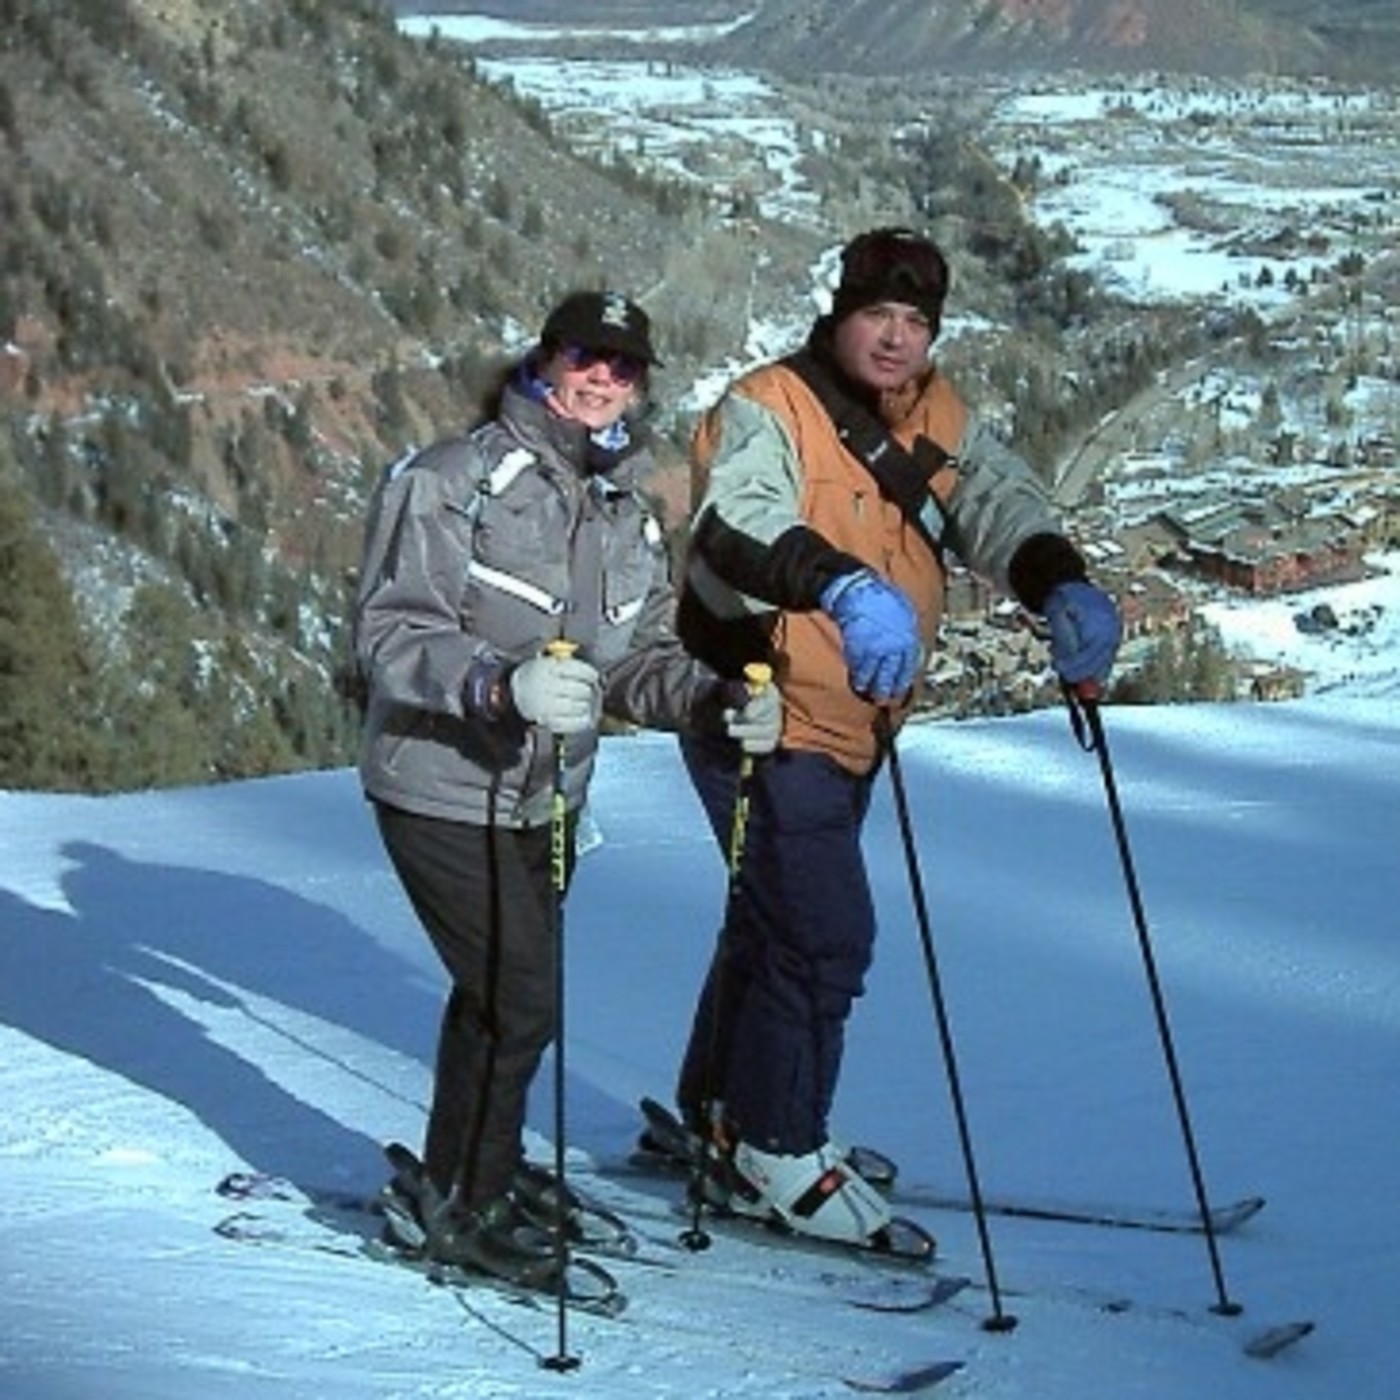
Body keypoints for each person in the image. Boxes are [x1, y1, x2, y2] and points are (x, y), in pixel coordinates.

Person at [667, 227, 1122, 1245]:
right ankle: (777, 1145)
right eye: (877, 313)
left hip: (854, 715)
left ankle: (722, 1111)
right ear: (838, 313)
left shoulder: (934, 413)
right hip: (763, 711)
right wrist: (838, 583)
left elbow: (997, 503)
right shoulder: (765, 407)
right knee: (822, 935)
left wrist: (1057, 582)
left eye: (915, 320)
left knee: (772, 920)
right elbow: (732, 529)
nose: (894, 336)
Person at [352, 289, 781, 1285]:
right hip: (441, 782)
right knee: (520, 996)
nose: (602, 379)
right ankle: (464, 1199)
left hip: (548, 792)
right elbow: (387, 635)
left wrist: (714, 700)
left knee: (496, 995)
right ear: (545, 358)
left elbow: (634, 660)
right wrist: (495, 683)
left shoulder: (624, 505)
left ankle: (477, 1170)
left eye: (624, 366)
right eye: (586, 356)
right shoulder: (450, 480)